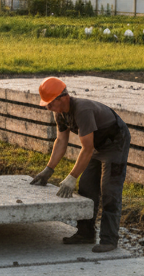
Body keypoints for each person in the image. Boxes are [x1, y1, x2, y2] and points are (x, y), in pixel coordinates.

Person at [30, 77, 130, 253]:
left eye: (50, 103)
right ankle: (85, 233)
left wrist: (71, 177)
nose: (47, 107)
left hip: (115, 143)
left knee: (109, 190)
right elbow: (61, 141)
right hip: (97, 145)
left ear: (63, 98)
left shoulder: (82, 110)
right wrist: (49, 169)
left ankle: (109, 239)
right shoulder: (59, 112)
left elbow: (87, 149)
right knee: (87, 187)